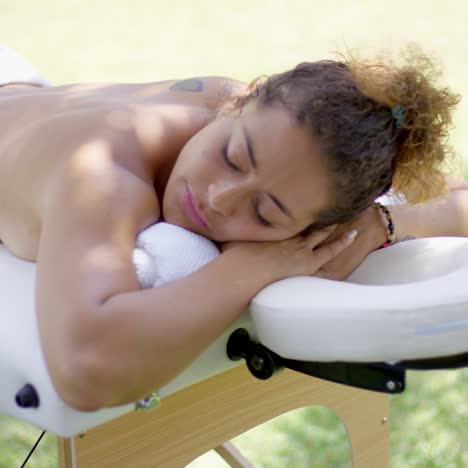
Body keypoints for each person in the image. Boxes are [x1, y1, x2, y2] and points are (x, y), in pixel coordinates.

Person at [0, 46, 465, 411]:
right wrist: (253, 265)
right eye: (232, 157)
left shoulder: (272, 129)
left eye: (265, 213)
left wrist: (381, 223)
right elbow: (85, 370)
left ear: (313, 229)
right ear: (238, 101)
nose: (218, 199)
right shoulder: (102, 173)